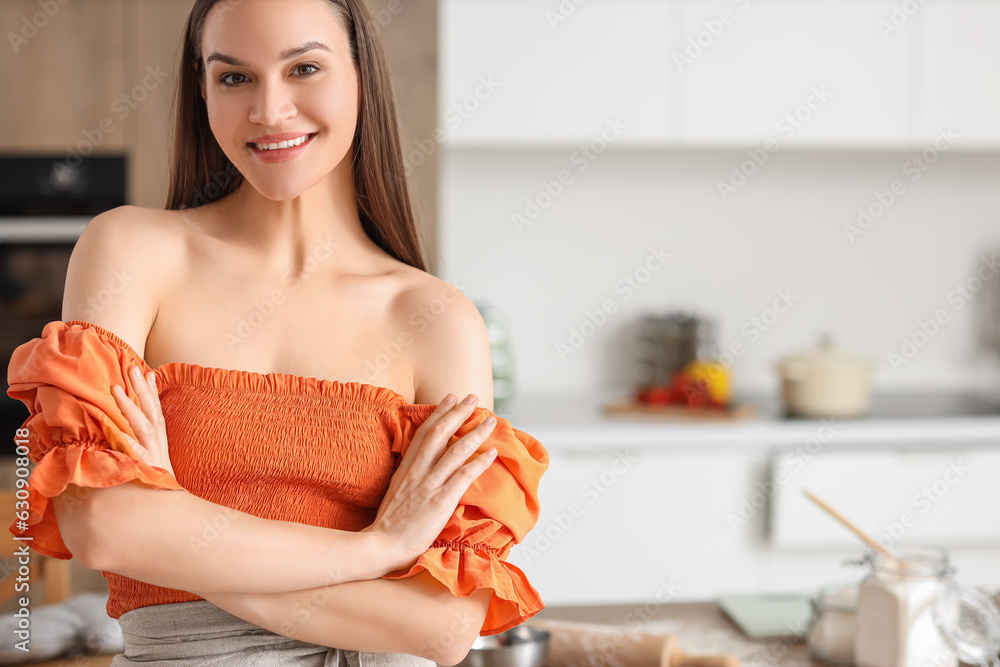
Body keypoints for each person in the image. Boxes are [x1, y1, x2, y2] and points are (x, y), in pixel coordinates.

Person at [5, 0, 550, 664]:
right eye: (234, 77)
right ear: (201, 87)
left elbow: (440, 628)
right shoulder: (132, 251)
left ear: (361, 78)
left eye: (304, 68)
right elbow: (103, 528)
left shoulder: (436, 318)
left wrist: (176, 525)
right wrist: (373, 549)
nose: (269, 109)